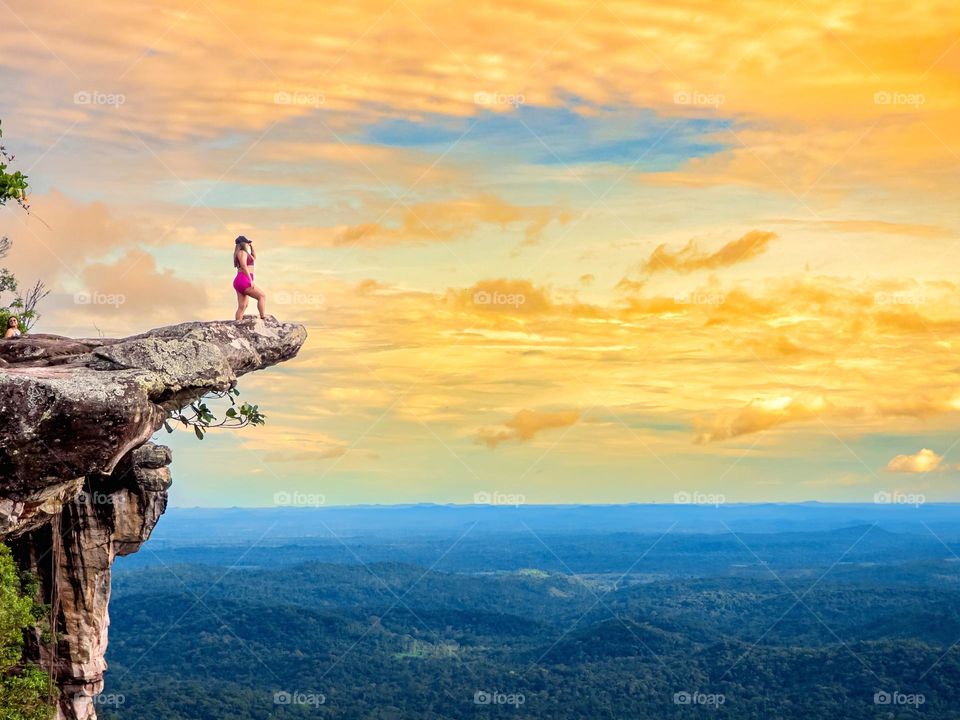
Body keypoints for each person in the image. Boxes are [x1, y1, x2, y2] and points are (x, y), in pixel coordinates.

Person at [232, 235, 267, 321]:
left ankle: (238, 325)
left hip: (240, 281)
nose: (248, 244)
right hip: (244, 280)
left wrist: (251, 246)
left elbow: (254, 257)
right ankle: (263, 318)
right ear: (243, 244)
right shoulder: (242, 252)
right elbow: (244, 266)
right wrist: (250, 280)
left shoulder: (243, 253)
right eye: (247, 243)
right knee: (262, 296)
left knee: (243, 306)